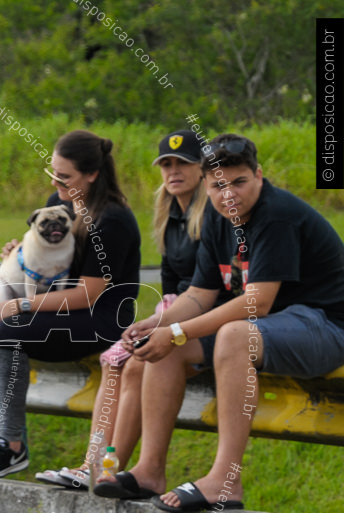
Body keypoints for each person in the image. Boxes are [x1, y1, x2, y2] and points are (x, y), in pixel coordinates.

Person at [107, 134, 344, 512]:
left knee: (234, 335)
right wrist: (158, 322)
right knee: (167, 349)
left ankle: (225, 480)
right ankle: (149, 470)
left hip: (326, 326)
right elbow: (200, 295)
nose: (228, 193)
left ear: (259, 176)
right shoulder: (219, 219)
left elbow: (258, 302)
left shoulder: (277, 215)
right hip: (278, 328)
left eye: (239, 182)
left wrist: (179, 331)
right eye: (218, 185)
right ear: (205, 183)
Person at [33, 130, 216, 490]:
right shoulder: (169, 213)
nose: (173, 171)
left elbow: (208, 288)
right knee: (114, 361)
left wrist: (164, 323)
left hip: (204, 315)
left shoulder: (211, 213)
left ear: (202, 170)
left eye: (183, 163)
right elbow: (171, 283)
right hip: (175, 310)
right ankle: (94, 467)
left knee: (132, 365)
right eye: (166, 164)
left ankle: (105, 468)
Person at [0, 130, 141, 478]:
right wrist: (18, 253)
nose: (56, 181)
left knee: (10, 329)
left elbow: (89, 294)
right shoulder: (63, 204)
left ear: (92, 175)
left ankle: (12, 445)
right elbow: (40, 257)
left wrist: (24, 305)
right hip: (63, 310)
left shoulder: (112, 219)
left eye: (64, 176)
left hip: (100, 318)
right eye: (52, 173)